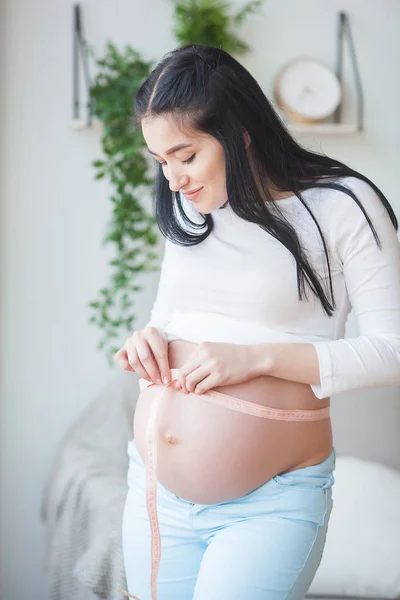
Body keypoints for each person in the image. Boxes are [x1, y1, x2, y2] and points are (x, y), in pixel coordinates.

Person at [114, 44, 400, 600]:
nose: (173, 180)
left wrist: (255, 358)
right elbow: (171, 318)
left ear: (239, 132)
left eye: (186, 155)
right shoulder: (188, 208)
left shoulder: (345, 205)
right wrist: (150, 341)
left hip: (268, 505)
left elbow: (395, 349)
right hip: (153, 493)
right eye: (161, 162)